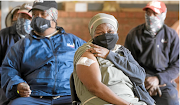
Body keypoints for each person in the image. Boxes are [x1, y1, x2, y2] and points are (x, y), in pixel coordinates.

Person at [1, 1, 85, 105]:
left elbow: (93, 60)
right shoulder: (22, 45)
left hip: (68, 96)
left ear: (54, 16)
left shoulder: (74, 41)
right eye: (35, 14)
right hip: (34, 97)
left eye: (42, 14)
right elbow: (8, 68)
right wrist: (18, 84)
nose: (37, 17)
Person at [73, 13, 155, 105]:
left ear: (116, 32)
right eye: (100, 33)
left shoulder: (122, 51)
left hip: (132, 100)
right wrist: (127, 104)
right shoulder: (88, 51)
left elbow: (140, 76)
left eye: (110, 31)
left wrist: (110, 55)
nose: (106, 35)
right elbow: (95, 87)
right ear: (92, 34)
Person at [124, 1, 179, 105]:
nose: (151, 17)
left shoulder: (171, 36)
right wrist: (144, 80)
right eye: (148, 13)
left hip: (164, 83)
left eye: (155, 14)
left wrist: (158, 79)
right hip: (140, 82)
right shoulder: (134, 34)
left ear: (164, 15)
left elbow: (177, 65)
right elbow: (128, 63)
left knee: (172, 101)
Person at [0, 3, 32, 105]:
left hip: (30, 88)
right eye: (22, 16)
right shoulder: (3, 35)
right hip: (6, 83)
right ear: (17, 16)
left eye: (28, 17)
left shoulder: (38, 39)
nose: (24, 20)